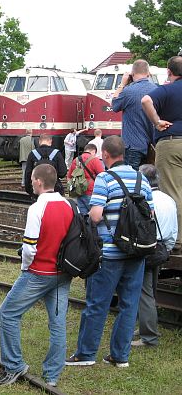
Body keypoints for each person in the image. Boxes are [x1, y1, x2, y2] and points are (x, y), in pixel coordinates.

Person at [66, 136, 153, 368]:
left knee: (97, 304)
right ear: (123, 153)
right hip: (136, 253)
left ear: (105, 154)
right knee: (129, 305)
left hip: (111, 254)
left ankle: (86, 354)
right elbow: (150, 215)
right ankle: (119, 356)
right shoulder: (141, 179)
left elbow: (95, 215)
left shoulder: (105, 178)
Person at [0, 164, 74, 387]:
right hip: (63, 273)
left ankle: (14, 365)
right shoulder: (69, 205)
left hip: (39, 272)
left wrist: (25, 269)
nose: (31, 182)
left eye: (32, 179)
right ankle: (52, 375)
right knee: (57, 324)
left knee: (8, 314)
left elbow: (29, 247)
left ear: (39, 182)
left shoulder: (37, 209)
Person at [133, 164, 177, 347]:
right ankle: (146, 325)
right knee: (151, 291)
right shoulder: (169, 199)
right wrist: (166, 249)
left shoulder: (145, 199)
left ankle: (149, 336)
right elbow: (174, 230)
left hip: (146, 248)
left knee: (144, 293)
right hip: (161, 249)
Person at [141, 55, 182, 250]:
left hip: (172, 143)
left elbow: (146, 100)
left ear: (169, 72)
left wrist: (157, 121)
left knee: (172, 191)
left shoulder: (166, 89)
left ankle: (177, 240)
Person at [111, 59, 156, 170]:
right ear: (148, 74)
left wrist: (122, 84)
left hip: (133, 146)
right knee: (149, 181)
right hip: (153, 146)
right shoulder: (157, 90)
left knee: (131, 182)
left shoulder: (128, 91)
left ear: (132, 73)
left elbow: (114, 105)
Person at [66, 143, 104, 214]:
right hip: (91, 192)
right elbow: (102, 176)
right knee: (94, 216)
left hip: (79, 193)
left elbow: (68, 177)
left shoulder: (75, 160)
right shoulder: (95, 160)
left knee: (83, 218)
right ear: (93, 151)